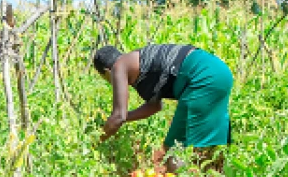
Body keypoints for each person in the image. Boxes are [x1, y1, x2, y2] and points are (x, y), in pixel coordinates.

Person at [93, 44, 233, 166]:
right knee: (210, 151)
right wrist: (125, 118)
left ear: (107, 72)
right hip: (219, 71)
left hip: (201, 77)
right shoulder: (138, 65)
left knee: (171, 154)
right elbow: (155, 106)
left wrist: (94, 143)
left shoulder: (119, 65)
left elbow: (118, 116)